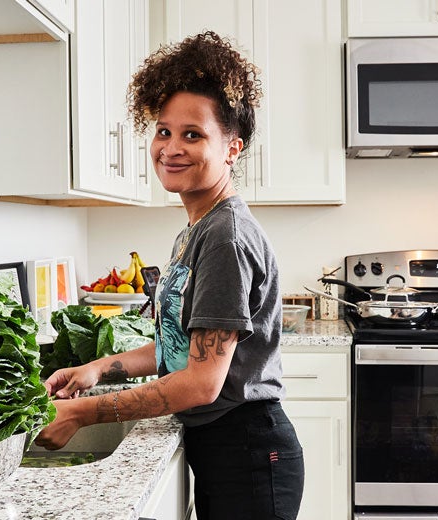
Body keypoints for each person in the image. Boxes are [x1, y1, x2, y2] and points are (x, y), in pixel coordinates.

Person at [35, 31, 304, 520]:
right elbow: (181, 345)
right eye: (163, 131)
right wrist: (98, 369)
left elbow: (200, 383)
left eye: (193, 135)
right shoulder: (197, 229)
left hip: (248, 454)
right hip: (226, 448)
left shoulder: (224, 237)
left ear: (232, 148)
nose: (171, 148)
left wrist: (81, 412)